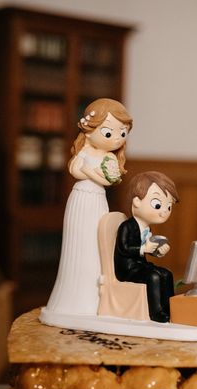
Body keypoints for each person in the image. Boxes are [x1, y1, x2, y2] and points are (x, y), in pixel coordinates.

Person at [45, 98, 133, 315]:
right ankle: (69, 299)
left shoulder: (110, 159)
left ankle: (93, 299)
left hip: (96, 200)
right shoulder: (85, 151)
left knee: (95, 243)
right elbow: (75, 168)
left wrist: (89, 171)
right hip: (80, 199)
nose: (117, 139)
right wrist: (87, 170)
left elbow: (108, 180)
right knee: (77, 242)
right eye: (109, 132)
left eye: (122, 133)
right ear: (90, 129)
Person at [114, 172, 179, 322]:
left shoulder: (147, 229)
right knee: (153, 277)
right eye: (157, 205)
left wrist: (157, 252)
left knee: (166, 274)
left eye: (168, 207)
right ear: (137, 201)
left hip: (140, 265)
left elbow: (147, 249)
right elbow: (123, 248)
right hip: (127, 269)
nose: (164, 212)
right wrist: (144, 249)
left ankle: (170, 309)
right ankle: (156, 312)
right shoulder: (127, 226)